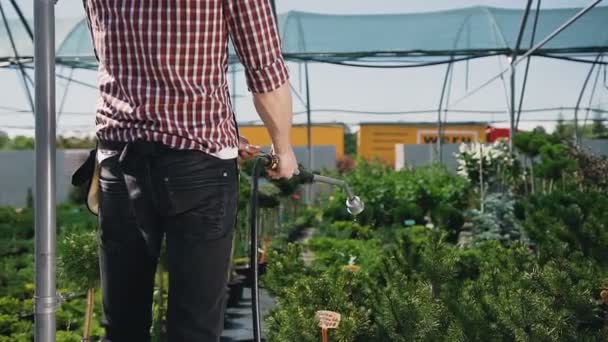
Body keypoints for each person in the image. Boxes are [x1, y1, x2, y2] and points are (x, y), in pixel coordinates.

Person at [82, 1, 298, 341]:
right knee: (194, 328)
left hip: (121, 159)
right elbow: (264, 69)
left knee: (122, 325)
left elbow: (107, 51)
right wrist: (283, 151)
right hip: (199, 167)